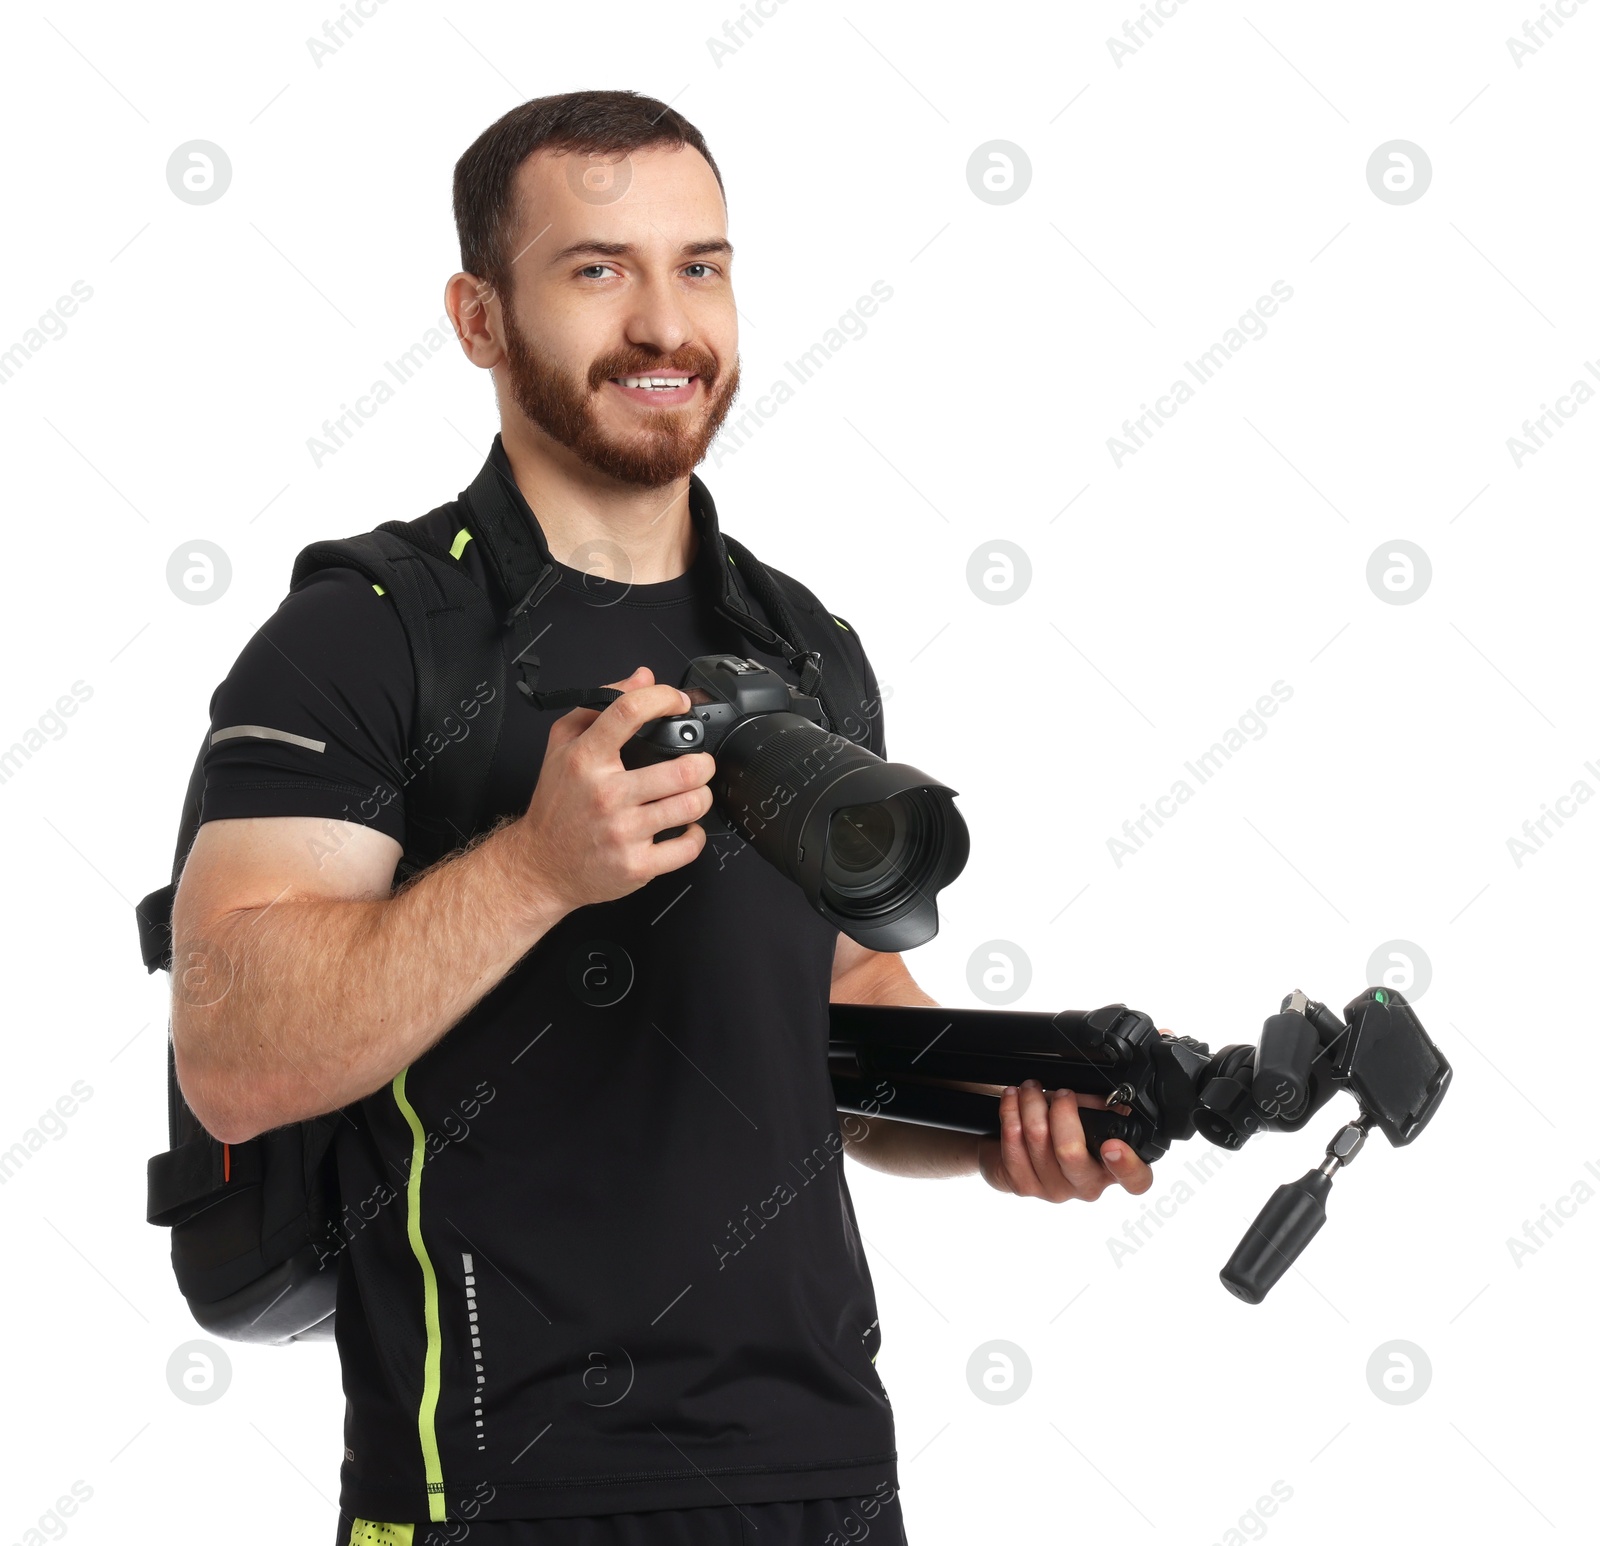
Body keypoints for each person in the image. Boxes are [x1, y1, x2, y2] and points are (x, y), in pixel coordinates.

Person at [167, 89, 1156, 1546]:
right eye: (596, 268)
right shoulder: (367, 638)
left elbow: (843, 1004)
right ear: (479, 317)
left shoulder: (803, 643)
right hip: (504, 1493)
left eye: (700, 265)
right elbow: (233, 1054)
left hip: (824, 1476)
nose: (663, 323)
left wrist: (1002, 1114)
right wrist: (535, 867)